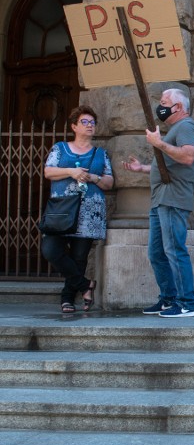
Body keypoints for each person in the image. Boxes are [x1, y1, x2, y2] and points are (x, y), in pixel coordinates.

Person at [122, 88, 194, 318]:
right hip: (161, 200)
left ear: (178, 107)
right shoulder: (176, 129)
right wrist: (143, 168)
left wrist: (159, 144)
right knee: (157, 252)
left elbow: (187, 156)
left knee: (174, 250)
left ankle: (188, 303)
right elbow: (169, 164)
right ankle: (169, 299)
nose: (161, 105)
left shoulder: (187, 127)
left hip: (173, 198)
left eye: (165, 101)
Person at [41, 106, 114, 313]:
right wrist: (71, 172)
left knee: (79, 257)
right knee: (51, 250)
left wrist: (93, 177)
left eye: (92, 122)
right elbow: (48, 172)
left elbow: (109, 182)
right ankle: (85, 285)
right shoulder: (60, 148)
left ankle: (67, 298)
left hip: (89, 211)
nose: (89, 125)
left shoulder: (101, 154)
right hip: (61, 210)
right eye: (85, 122)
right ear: (74, 126)